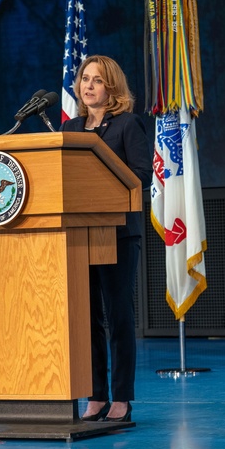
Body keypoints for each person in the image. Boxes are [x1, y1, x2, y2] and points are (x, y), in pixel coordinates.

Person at [61, 55, 152, 423]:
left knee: (117, 317)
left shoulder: (127, 125)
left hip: (117, 233)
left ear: (110, 87)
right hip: (79, 235)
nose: (89, 85)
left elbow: (141, 175)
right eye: (85, 79)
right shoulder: (72, 129)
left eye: (97, 80)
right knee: (87, 319)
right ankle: (96, 395)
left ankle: (122, 397)